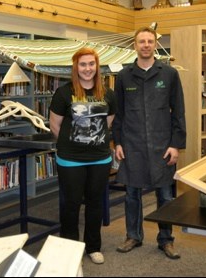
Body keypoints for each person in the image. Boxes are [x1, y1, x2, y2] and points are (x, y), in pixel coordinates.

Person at [112, 26, 186, 260]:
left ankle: (166, 239)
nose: (145, 45)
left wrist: (175, 144)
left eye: (149, 41)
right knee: (132, 195)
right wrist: (118, 143)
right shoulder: (124, 76)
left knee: (165, 196)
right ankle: (133, 235)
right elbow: (119, 113)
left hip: (162, 146)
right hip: (132, 145)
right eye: (141, 41)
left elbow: (179, 113)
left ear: (155, 45)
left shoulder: (170, 74)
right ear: (135, 45)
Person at [49, 47, 117, 265]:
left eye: (91, 64)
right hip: (70, 160)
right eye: (83, 64)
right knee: (71, 205)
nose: (87, 69)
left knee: (96, 203)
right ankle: (70, 250)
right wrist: (75, 144)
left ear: (97, 67)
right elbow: (55, 125)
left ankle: (93, 247)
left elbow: (108, 123)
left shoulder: (108, 94)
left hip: (100, 159)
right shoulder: (63, 93)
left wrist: (92, 142)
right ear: (76, 67)